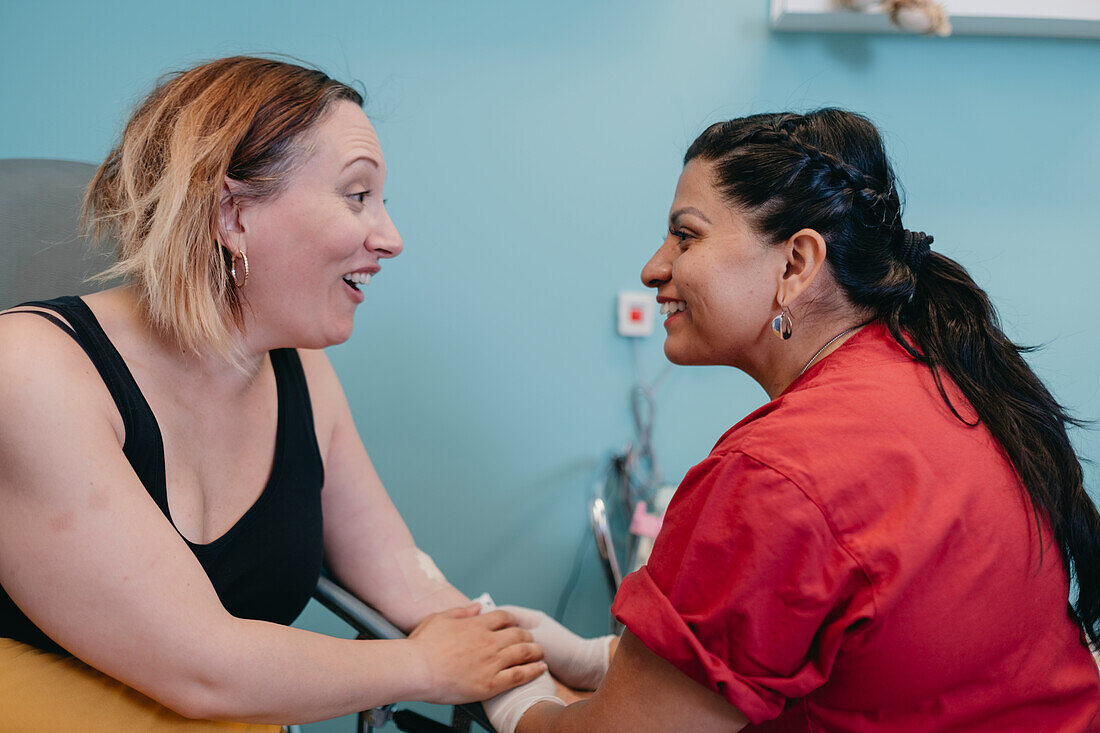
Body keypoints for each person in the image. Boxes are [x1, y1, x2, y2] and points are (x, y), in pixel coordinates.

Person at [484, 109, 1100, 732]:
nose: (654, 268)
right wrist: (597, 659)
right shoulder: (941, 381)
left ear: (796, 264)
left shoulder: (777, 474)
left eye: (686, 237)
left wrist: (514, 704)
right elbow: (857, 650)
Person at [0, 56, 550, 731]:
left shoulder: (301, 373)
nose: (391, 237)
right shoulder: (29, 369)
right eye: (357, 196)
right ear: (232, 214)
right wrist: (426, 666)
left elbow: (406, 580)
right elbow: (205, 665)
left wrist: (544, 682)